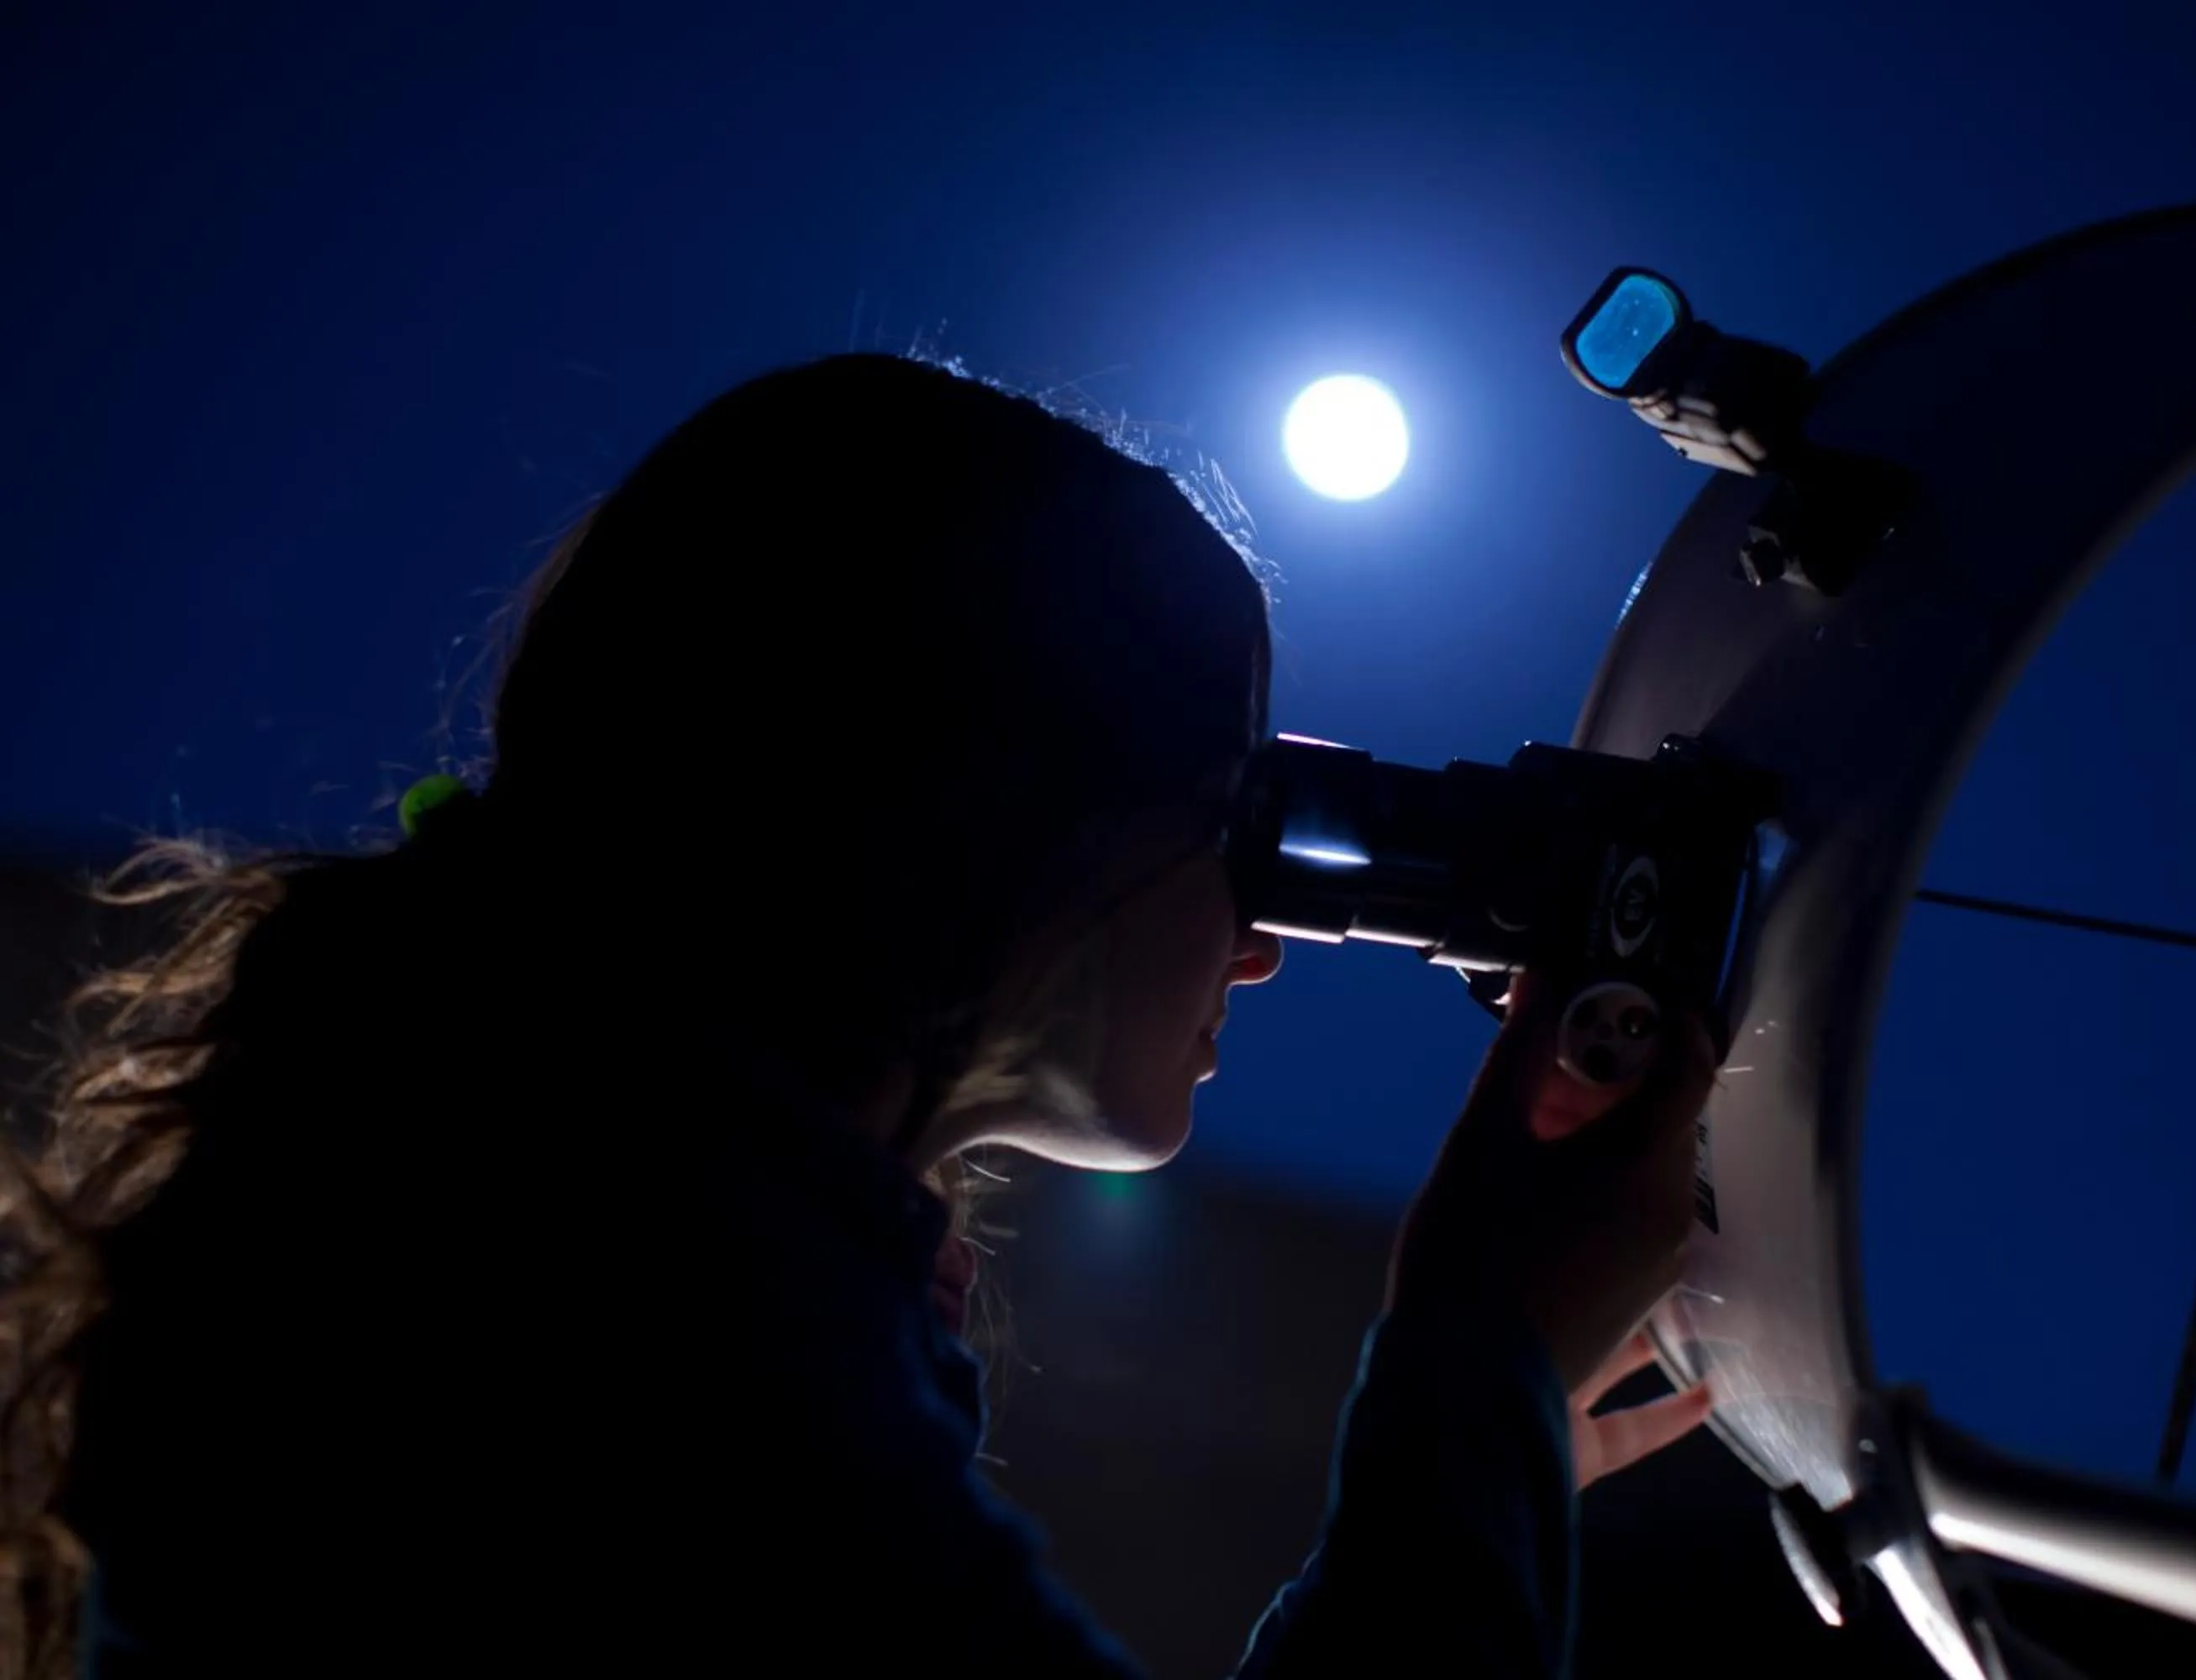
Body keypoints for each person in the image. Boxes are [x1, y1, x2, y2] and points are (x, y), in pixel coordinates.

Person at [0, 353, 1717, 1677]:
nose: (1258, 949)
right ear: (1002, 815)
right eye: (1237, 828)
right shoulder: (633, 1317)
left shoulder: (485, 1206)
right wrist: (1464, 1382)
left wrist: (1480, 1447)